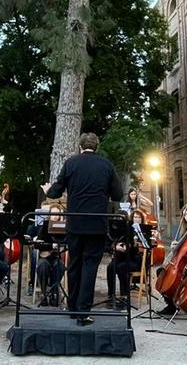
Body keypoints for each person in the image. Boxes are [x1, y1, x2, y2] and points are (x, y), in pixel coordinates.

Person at [41, 132, 123, 326]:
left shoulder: (71, 163)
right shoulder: (106, 165)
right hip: (96, 224)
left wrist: (48, 190)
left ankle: (72, 308)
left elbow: (55, 191)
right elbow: (118, 194)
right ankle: (83, 312)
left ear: (80, 147)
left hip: (75, 223)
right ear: (97, 147)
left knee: (75, 264)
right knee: (90, 267)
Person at [106, 209, 149, 308]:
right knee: (110, 267)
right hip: (121, 258)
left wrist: (132, 245)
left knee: (122, 267)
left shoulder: (138, 230)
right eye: (134, 217)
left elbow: (139, 249)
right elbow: (108, 245)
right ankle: (111, 296)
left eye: (138, 217)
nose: (136, 219)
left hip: (134, 260)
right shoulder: (119, 229)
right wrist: (115, 247)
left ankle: (124, 297)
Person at [27, 205, 66, 307]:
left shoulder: (63, 227)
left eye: (57, 214)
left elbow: (66, 245)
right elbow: (37, 244)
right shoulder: (44, 226)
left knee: (60, 267)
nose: (54, 216)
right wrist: (51, 245)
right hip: (44, 256)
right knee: (42, 266)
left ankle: (53, 292)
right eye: (53, 214)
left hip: (56, 257)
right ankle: (44, 293)